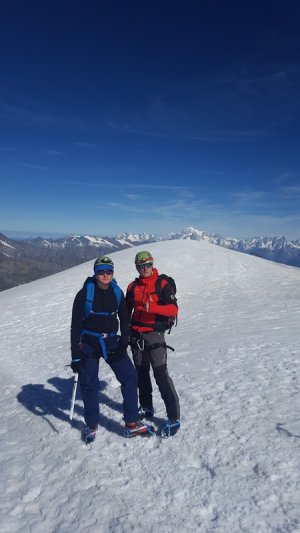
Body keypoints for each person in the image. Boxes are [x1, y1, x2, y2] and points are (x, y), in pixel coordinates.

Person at [70, 255, 154, 443]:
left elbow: (124, 318)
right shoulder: (84, 294)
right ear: (96, 273)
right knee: (89, 383)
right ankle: (91, 425)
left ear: (112, 273)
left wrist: (124, 341)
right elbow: (75, 326)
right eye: (101, 272)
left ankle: (131, 424)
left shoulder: (116, 292)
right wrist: (75, 356)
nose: (105, 275)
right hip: (90, 344)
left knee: (130, 377)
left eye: (108, 271)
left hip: (112, 343)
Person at [126, 251, 180, 437]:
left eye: (147, 265)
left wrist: (153, 307)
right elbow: (125, 312)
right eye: (140, 266)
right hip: (136, 335)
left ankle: (174, 417)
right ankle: (147, 407)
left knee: (160, 375)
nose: (144, 269)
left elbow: (173, 308)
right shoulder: (133, 286)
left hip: (155, 335)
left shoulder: (162, 284)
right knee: (141, 374)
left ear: (152, 264)